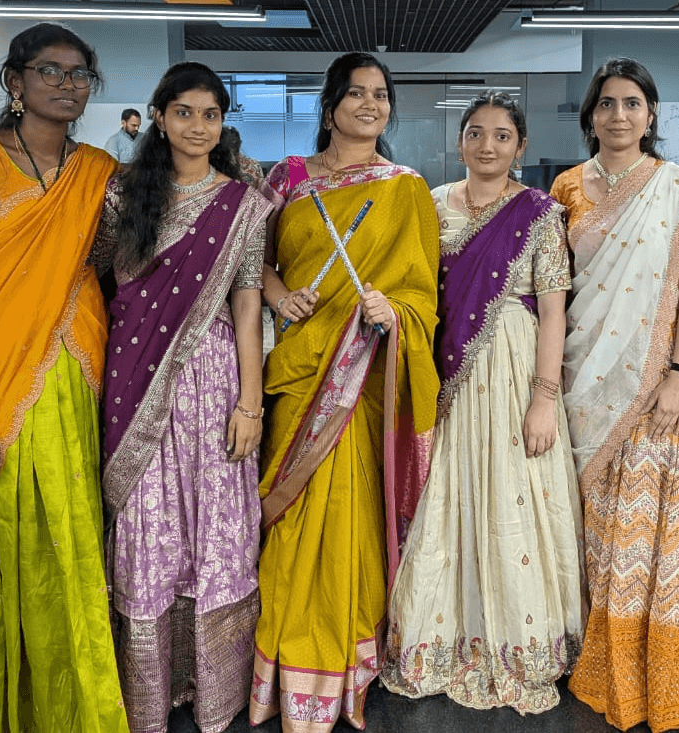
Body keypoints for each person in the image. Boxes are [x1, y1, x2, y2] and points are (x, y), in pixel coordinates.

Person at [0, 23, 129, 732]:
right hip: (1, 377)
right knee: (9, 536)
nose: (68, 85)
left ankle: (77, 702)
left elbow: (119, 258)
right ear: (15, 81)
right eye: (51, 71)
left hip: (80, 366)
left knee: (75, 535)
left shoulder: (99, 170)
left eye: (80, 75)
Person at [552, 57, 679, 733]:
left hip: (663, 381)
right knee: (600, 528)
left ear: (651, 114)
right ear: (591, 115)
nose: (618, 115)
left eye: (632, 103)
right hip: (586, 377)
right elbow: (561, 288)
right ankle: (599, 659)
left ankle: (658, 671)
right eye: (607, 103)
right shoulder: (565, 187)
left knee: (656, 535)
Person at [248, 51, 440, 733]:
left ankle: (341, 660)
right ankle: (282, 657)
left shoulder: (405, 188)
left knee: (348, 520)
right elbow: (254, 261)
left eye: (380, 94)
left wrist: (397, 311)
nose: (370, 104)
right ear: (330, 106)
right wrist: (280, 296)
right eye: (356, 93)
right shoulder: (287, 179)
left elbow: (423, 292)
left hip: (360, 376)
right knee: (289, 514)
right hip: (299, 368)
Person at [380, 92, 583, 714]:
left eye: (501, 135)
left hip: (517, 370)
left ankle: (518, 643)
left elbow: (554, 313)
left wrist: (544, 399)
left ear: (520, 146)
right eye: (475, 133)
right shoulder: (431, 203)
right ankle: (443, 636)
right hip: (448, 374)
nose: (487, 145)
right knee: (447, 492)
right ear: (460, 141)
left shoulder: (540, 213)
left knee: (512, 492)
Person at [92, 62, 273, 733]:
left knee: (215, 528)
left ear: (223, 124)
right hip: (136, 380)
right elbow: (97, 283)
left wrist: (250, 405)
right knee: (149, 525)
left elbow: (248, 306)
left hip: (215, 380)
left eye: (211, 115)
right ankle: (150, 694)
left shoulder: (243, 202)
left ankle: (213, 690)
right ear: (160, 118)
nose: (198, 126)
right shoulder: (123, 194)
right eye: (185, 112)